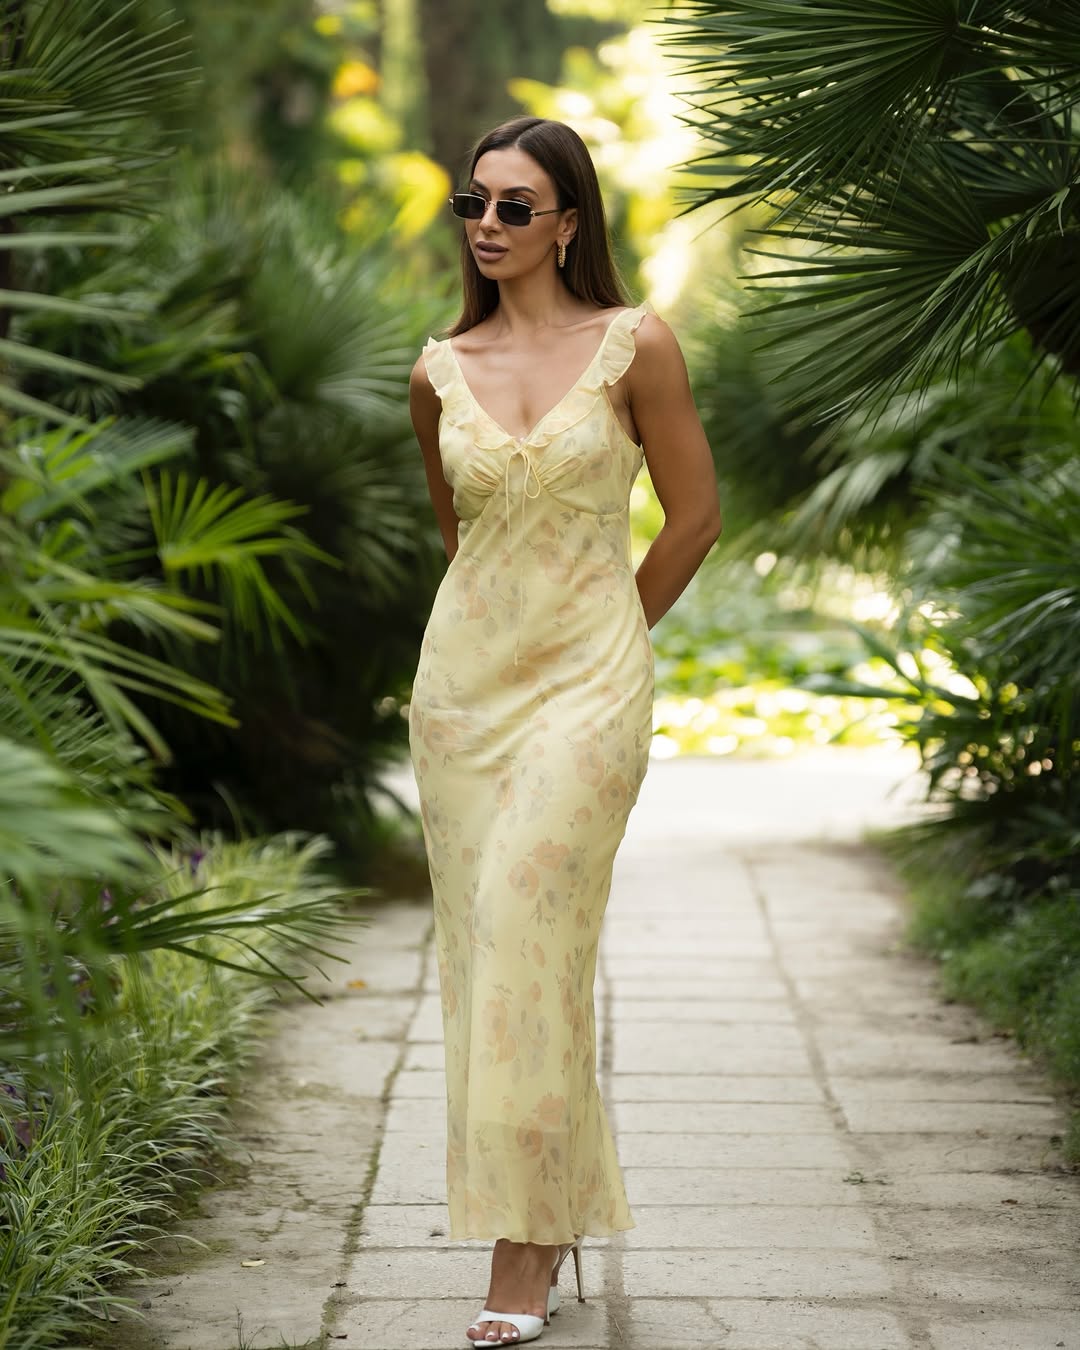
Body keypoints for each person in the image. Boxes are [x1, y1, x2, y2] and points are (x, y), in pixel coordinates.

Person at [408, 115, 722, 1347]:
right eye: (473, 204)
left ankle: (521, 1260)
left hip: (591, 690)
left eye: (515, 207)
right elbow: (462, 541)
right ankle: (550, 1200)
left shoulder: (635, 346)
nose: (488, 225)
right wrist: (499, 647)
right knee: (492, 959)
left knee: (531, 920)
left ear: (571, 223)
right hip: (463, 698)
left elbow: (693, 518)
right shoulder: (436, 368)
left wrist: (614, 642)